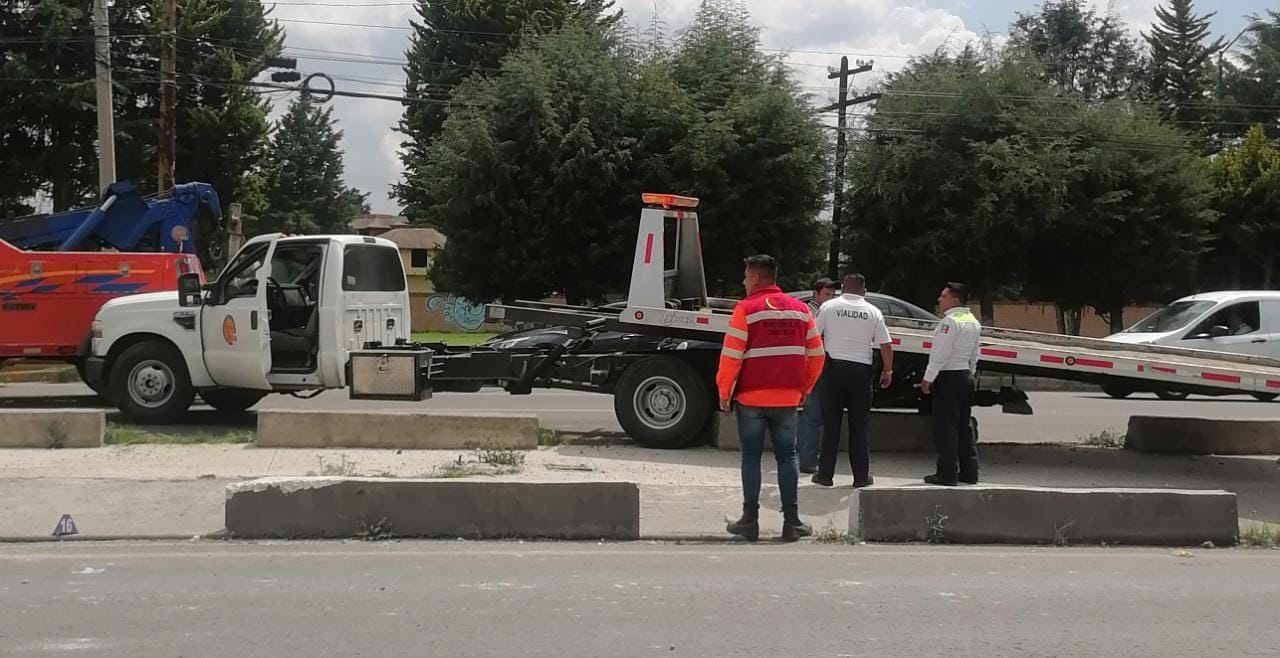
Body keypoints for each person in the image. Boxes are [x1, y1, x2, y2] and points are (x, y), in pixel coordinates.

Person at [716, 255, 825, 542]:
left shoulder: (746, 310)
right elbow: (817, 355)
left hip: (751, 397)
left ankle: (749, 521)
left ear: (755, 278)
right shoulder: (801, 311)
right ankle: (792, 522)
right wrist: (804, 388)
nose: (743, 282)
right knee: (788, 456)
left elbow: (731, 357)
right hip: (787, 399)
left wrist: (724, 393)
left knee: (751, 457)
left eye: (744, 277)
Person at [811, 273, 894, 488]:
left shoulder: (829, 307)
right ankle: (860, 477)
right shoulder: (873, 311)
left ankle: (825, 475)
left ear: (843, 289)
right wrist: (888, 370)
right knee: (859, 427)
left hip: (833, 370)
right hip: (860, 372)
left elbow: (812, 336)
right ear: (863, 291)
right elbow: (885, 344)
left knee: (831, 426)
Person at [920, 282, 983, 486]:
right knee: (964, 426)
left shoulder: (950, 322)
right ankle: (969, 471)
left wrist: (928, 377)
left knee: (945, 427)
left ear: (955, 300)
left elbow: (940, 353)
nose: (939, 299)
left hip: (948, 377)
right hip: (965, 375)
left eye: (943, 296)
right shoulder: (972, 321)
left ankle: (947, 474)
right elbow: (975, 353)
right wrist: (970, 373)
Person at [798, 278, 838, 473]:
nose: (831, 298)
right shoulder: (812, 312)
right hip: (815, 366)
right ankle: (807, 460)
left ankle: (809, 456)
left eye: (833, 295)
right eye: (827, 294)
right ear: (816, 294)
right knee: (813, 415)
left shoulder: (827, 311)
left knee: (816, 415)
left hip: (822, 365)